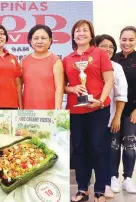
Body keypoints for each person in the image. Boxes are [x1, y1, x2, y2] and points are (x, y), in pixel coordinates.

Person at [63, 20, 114, 202]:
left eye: (85, 30)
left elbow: (109, 81)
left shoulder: (100, 54)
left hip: (98, 109)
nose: (81, 33)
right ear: (73, 35)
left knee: (97, 147)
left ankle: (100, 188)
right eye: (77, 31)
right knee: (78, 149)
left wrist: (100, 101)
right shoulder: (67, 59)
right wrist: (72, 89)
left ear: (91, 35)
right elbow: (62, 86)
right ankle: (82, 188)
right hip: (76, 111)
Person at [95, 34, 128, 197]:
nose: (108, 49)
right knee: (91, 150)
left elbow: (121, 94)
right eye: (104, 46)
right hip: (88, 117)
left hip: (108, 116)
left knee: (107, 150)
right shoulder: (88, 64)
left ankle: (109, 180)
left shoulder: (116, 67)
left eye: (111, 47)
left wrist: (116, 117)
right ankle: (91, 183)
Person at [112, 26, 136, 193]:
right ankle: (112, 176)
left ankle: (128, 178)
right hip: (113, 110)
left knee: (129, 144)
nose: (126, 43)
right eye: (124, 39)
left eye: (131, 40)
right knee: (113, 144)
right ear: (119, 39)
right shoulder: (112, 58)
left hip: (132, 111)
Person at [22, 24, 64, 109]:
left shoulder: (55, 61)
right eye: (36, 38)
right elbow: (19, 86)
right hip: (28, 112)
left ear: (50, 40)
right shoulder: (24, 61)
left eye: (43, 38)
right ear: (30, 41)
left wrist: (57, 109)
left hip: (50, 111)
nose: (40, 41)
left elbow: (59, 87)